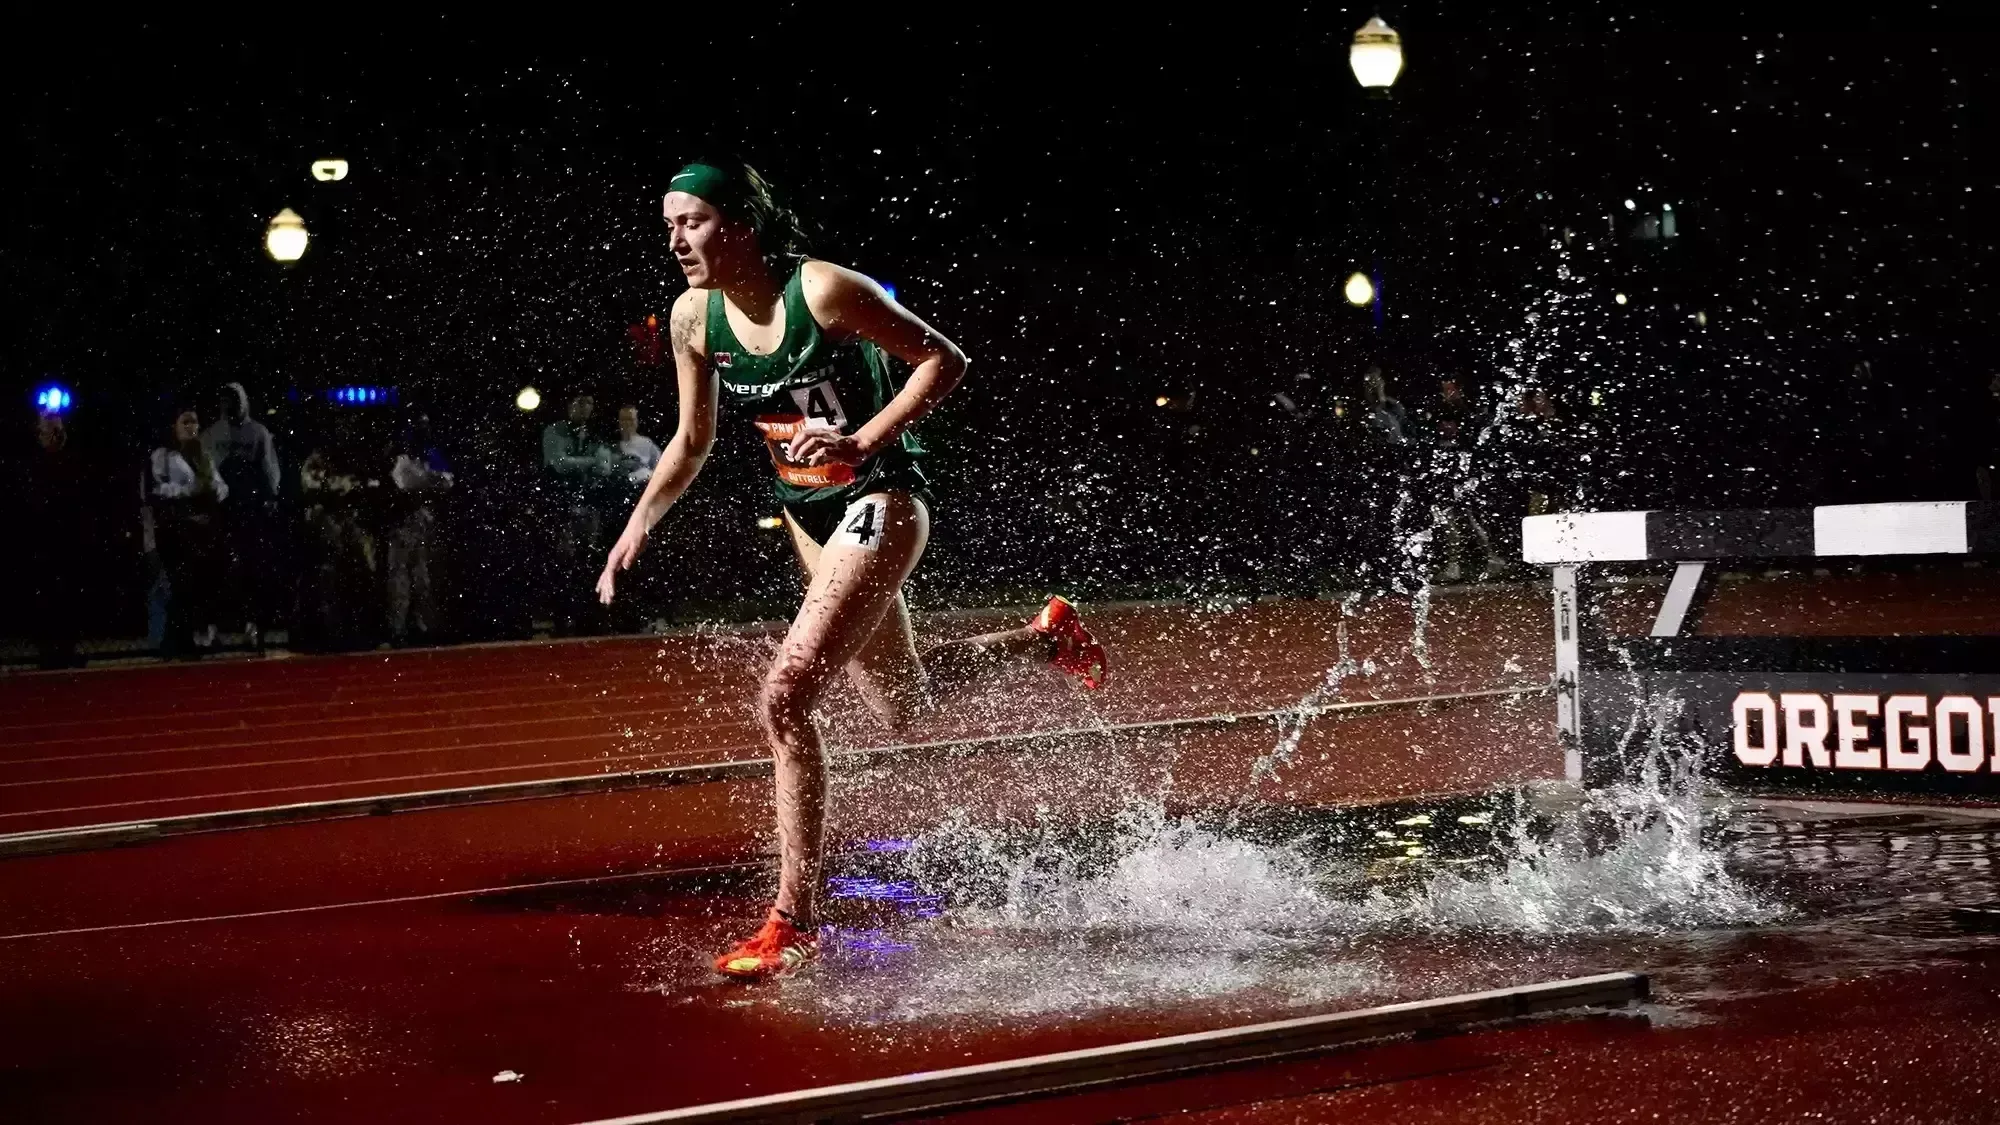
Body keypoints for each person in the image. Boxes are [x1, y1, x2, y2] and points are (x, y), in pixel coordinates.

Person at [596, 159, 1108, 981]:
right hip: (809, 516)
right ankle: (1044, 637)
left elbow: (946, 360)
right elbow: (694, 439)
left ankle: (792, 916)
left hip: (883, 496)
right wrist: (638, 521)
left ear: (740, 224)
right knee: (901, 701)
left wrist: (861, 440)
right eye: (667, 225)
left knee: (786, 694)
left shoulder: (825, 291)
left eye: (690, 221)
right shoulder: (694, 316)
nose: (675, 239)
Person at [144, 405, 229, 656]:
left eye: (195, 422)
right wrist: (189, 491)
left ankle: (198, 637)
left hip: (202, 529)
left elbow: (220, 485)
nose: (192, 427)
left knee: (201, 583)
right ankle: (176, 641)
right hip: (176, 529)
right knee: (180, 584)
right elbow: (156, 490)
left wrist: (214, 490)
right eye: (186, 422)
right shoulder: (163, 455)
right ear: (174, 426)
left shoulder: (204, 455)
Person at [203, 382, 283, 648]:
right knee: (218, 567)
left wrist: (271, 496)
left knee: (251, 568)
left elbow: (269, 466)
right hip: (222, 508)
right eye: (225, 400)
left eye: (234, 400)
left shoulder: (258, 431)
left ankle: (252, 625)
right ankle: (213, 627)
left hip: (250, 509)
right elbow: (206, 467)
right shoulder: (213, 433)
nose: (230, 406)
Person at [25, 411, 86, 668]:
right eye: (46, 429)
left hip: (68, 539)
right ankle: (48, 650)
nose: (52, 433)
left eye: (57, 429)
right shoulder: (31, 463)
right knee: (46, 595)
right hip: (41, 540)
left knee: (68, 594)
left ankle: (67, 647)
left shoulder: (71, 461)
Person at [614, 405, 662, 484]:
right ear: (619, 422)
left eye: (630, 419)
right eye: (624, 420)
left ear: (636, 421)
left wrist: (645, 474)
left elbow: (661, 471)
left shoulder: (647, 444)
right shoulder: (611, 447)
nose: (627, 423)